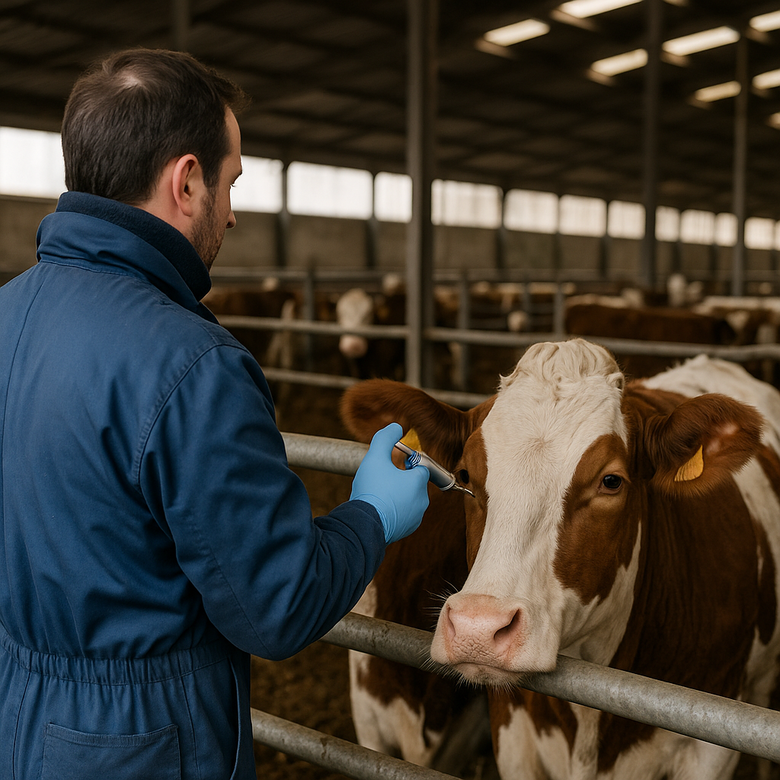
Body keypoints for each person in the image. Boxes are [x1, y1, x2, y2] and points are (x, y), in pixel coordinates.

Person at [0, 48, 430, 780]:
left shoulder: (7, 312)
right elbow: (277, 607)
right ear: (187, 180)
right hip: (145, 746)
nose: (230, 213)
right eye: (230, 183)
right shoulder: (194, 364)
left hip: (19, 716)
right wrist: (370, 517)